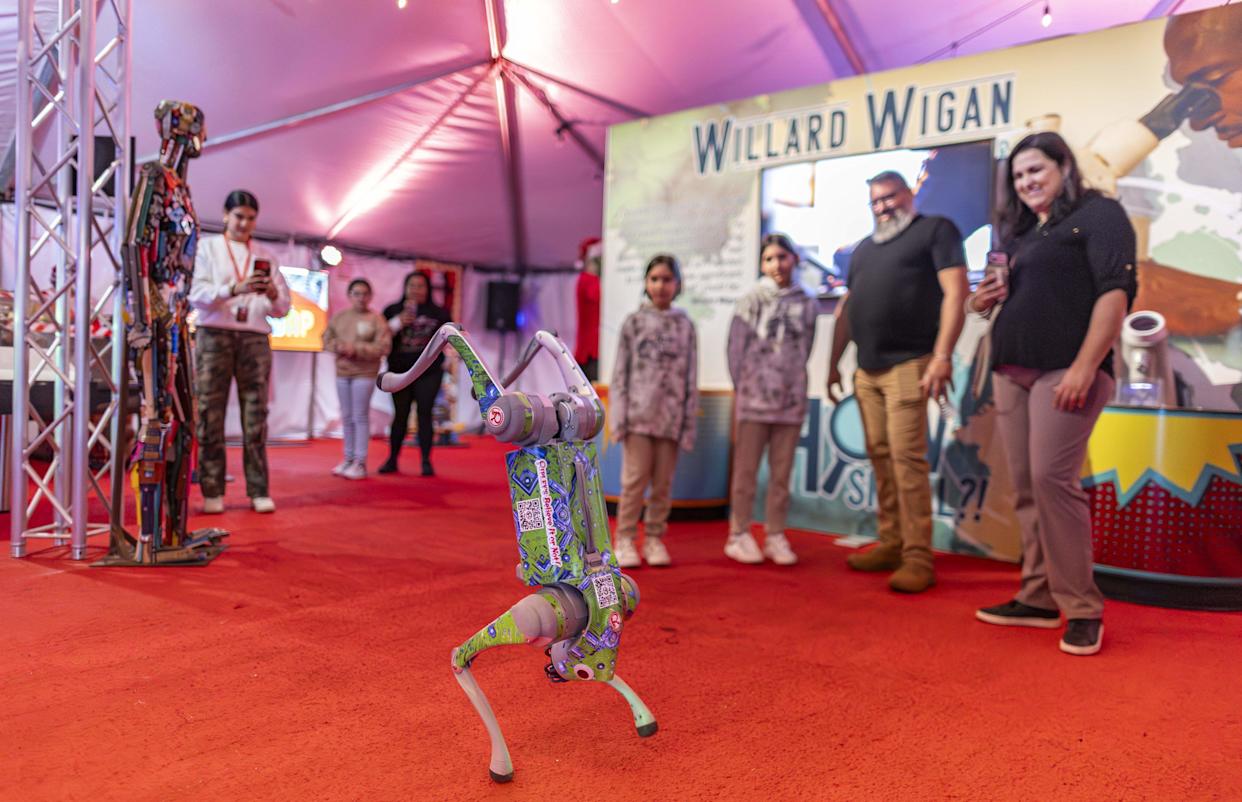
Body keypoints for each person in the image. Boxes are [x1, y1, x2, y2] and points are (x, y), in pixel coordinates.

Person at [969, 131, 1136, 656]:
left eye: (1036, 170)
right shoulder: (1019, 234)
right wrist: (980, 301)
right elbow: (995, 303)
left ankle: (1083, 607)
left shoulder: (1100, 213)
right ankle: (1037, 596)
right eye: (1018, 176)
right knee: (1025, 486)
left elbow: (1116, 291)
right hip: (1011, 369)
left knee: (1051, 480)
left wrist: (1087, 366)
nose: (1026, 183)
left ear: (1064, 166)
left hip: (1066, 370)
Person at [826, 171, 968, 593]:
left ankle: (918, 558)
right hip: (866, 370)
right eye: (876, 201)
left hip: (912, 364)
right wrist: (831, 364)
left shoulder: (936, 231)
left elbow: (957, 293)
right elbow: (847, 310)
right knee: (882, 459)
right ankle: (891, 542)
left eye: (890, 197)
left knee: (907, 462)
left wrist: (942, 357)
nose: (884, 206)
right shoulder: (863, 250)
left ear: (910, 193)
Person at [188, 189, 291, 514]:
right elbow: (196, 294)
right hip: (214, 335)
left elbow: (284, 308)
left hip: (254, 337)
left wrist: (273, 293)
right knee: (209, 414)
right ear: (225, 216)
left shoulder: (266, 255)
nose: (244, 223)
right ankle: (212, 489)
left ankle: (258, 490)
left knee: (255, 417)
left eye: (250, 218)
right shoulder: (207, 247)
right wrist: (233, 289)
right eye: (239, 216)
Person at [725, 234, 818, 566]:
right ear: (762, 264)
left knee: (782, 474)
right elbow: (736, 350)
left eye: (782, 257)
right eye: (769, 259)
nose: (777, 264)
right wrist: (746, 387)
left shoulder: (807, 300)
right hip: (754, 399)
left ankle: (776, 534)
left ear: (794, 258)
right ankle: (738, 533)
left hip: (790, 401)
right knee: (746, 472)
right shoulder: (751, 298)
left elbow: (806, 347)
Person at [609, 255, 699, 568]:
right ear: (647, 284)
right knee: (634, 481)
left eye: (667, 279)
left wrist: (688, 424)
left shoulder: (685, 325)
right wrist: (618, 419)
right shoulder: (634, 323)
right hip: (638, 418)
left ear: (678, 284)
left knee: (663, 483)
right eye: (655, 279)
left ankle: (655, 538)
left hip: (671, 419)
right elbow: (620, 373)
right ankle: (624, 538)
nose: (660, 285)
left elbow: (691, 376)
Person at [380, 271, 450, 476]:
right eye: (412, 286)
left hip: (429, 373)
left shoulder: (440, 314)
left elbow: (449, 339)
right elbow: (381, 336)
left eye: (420, 286)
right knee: (400, 415)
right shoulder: (392, 310)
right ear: (405, 288)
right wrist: (397, 322)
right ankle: (392, 459)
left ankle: (426, 461)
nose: (416, 290)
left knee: (424, 414)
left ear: (428, 290)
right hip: (400, 371)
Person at [323, 278, 392, 480]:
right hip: (343, 373)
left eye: (364, 294)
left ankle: (360, 463)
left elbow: (383, 348)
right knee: (346, 416)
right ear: (349, 295)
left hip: (365, 373)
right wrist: (337, 346)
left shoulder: (377, 320)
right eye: (356, 293)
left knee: (359, 416)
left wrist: (357, 349)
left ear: (370, 296)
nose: (361, 298)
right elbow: (326, 339)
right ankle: (348, 459)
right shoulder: (340, 317)